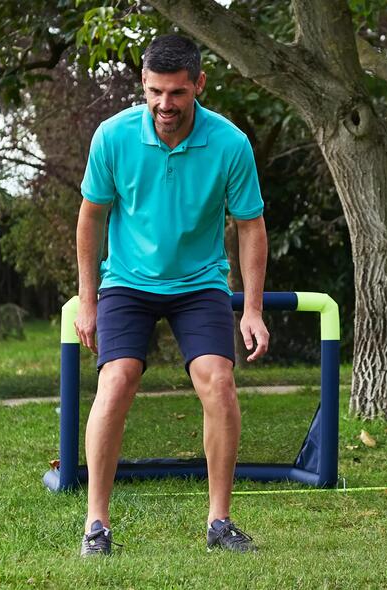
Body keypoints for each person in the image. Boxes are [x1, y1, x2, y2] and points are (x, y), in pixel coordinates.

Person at [73, 34, 270, 555]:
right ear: (143, 84)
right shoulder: (112, 137)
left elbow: (250, 225)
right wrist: (88, 299)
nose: (165, 104)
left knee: (219, 382)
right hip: (127, 282)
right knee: (117, 380)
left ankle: (220, 522)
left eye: (177, 93)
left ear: (198, 85)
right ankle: (97, 524)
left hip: (199, 282)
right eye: (155, 91)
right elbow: (91, 217)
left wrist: (252, 308)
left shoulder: (230, 144)